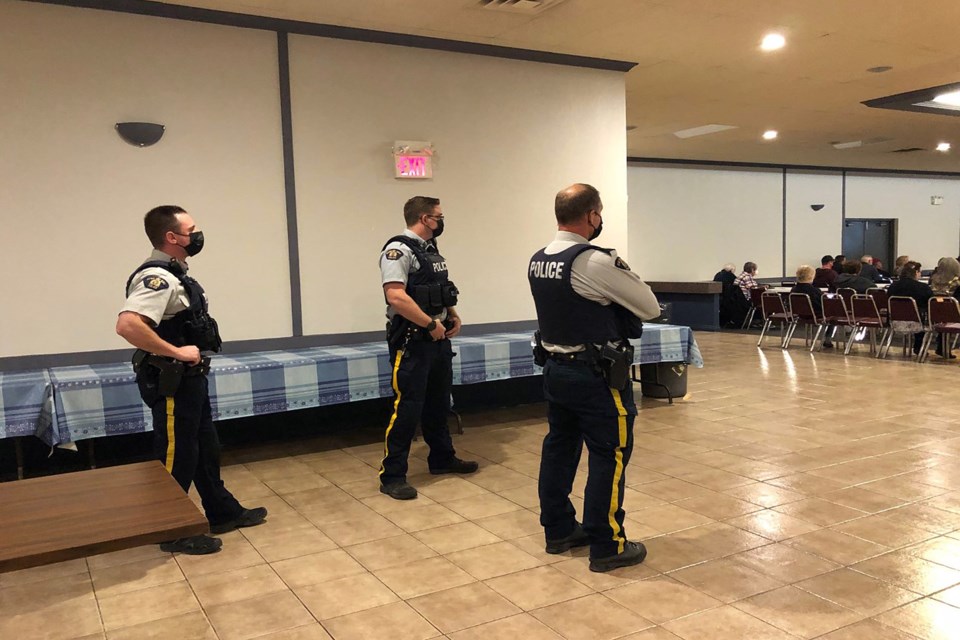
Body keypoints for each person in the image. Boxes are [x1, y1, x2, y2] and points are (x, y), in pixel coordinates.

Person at [116, 206, 267, 555]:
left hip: (190, 380)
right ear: (173, 237)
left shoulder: (177, 273)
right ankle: (170, 528)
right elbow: (128, 325)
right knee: (176, 454)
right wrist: (177, 351)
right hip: (171, 379)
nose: (198, 235)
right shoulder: (158, 277)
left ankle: (221, 511)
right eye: (192, 229)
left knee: (204, 448)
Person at [528, 183, 660, 573]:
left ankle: (559, 530)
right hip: (597, 376)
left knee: (559, 450)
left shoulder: (539, 258)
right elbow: (649, 307)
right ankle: (607, 545)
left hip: (556, 370)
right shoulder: (593, 261)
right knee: (609, 455)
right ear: (591, 216)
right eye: (599, 214)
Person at [378, 196, 478, 500]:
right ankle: (392, 475)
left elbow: (441, 288)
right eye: (438, 216)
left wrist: (452, 315)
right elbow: (395, 296)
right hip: (412, 341)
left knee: (439, 403)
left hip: (437, 339)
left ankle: (442, 458)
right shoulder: (397, 251)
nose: (441, 221)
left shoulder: (430, 251)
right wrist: (428, 324)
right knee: (408, 408)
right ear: (424, 218)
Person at [887, 261, 932, 354]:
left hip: (895, 321)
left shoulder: (892, 287)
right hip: (917, 322)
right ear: (916, 273)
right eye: (920, 272)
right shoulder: (923, 287)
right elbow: (930, 302)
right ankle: (918, 346)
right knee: (922, 313)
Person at [791, 265, 832, 348]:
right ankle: (828, 339)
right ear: (811, 276)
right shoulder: (814, 290)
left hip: (800, 314)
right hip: (816, 314)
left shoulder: (794, 290)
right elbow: (821, 304)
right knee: (832, 315)